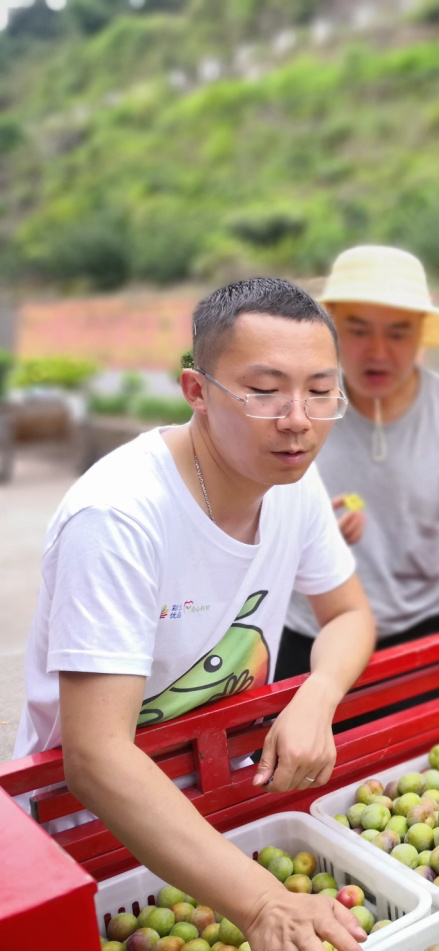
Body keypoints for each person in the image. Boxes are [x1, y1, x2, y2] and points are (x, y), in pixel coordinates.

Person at [14, 278, 377, 951]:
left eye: (321, 390)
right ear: (197, 391)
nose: (297, 418)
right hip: (92, 830)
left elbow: (349, 614)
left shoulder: (290, 478)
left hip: (222, 794)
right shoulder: (119, 516)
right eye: (263, 389)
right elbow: (94, 756)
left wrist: (315, 695)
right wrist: (264, 901)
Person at [280, 246, 439, 686]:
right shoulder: (295, 412)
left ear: (422, 334)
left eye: (398, 333)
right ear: (328, 325)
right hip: (308, 641)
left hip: (423, 646)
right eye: (357, 329)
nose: (378, 351)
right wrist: (306, 530)